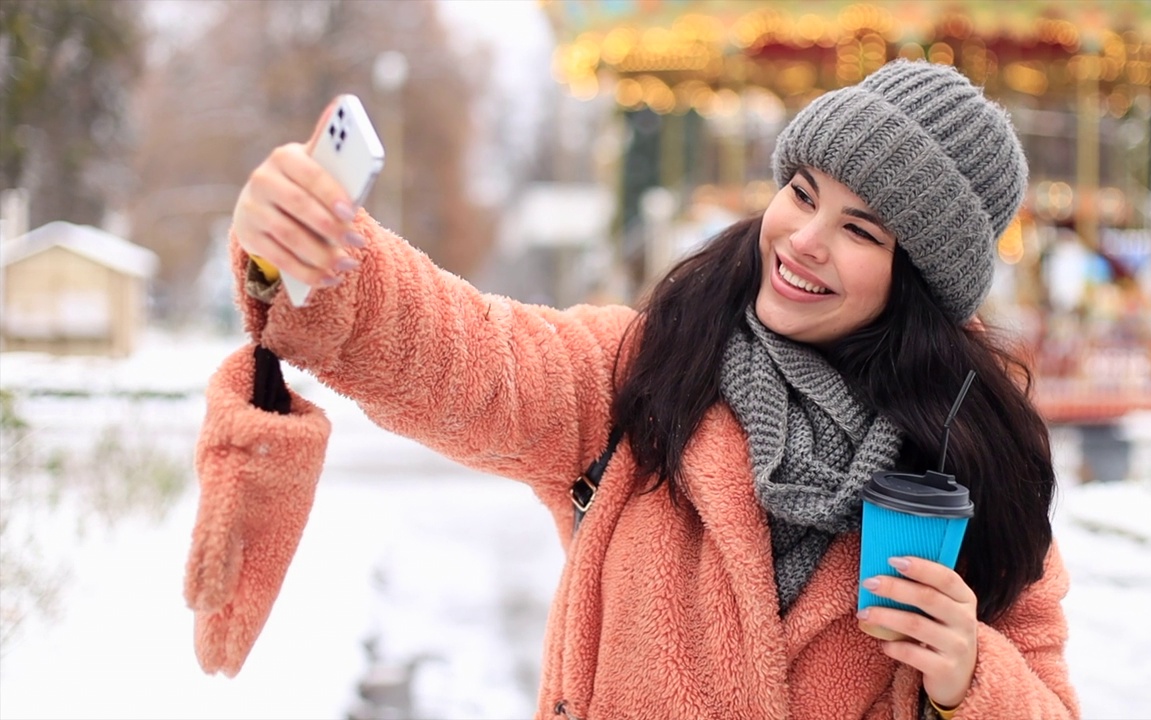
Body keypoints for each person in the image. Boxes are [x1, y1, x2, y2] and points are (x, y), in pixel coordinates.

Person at [184, 59, 1079, 719]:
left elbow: (1049, 702)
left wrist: (973, 682)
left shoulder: (974, 472)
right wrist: (317, 258)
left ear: (917, 281)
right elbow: (468, 353)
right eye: (802, 193)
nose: (803, 239)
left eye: (860, 230)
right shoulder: (649, 373)